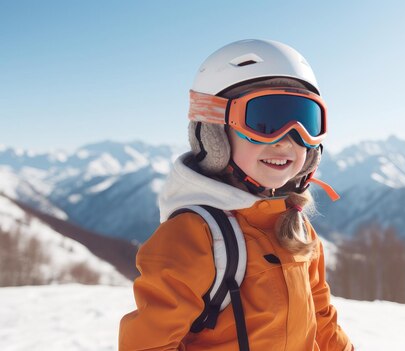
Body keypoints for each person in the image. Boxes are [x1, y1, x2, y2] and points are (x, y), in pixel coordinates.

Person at [119, 39, 354, 351]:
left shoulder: (297, 228)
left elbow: (321, 318)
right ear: (216, 134)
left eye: (305, 121)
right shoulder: (194, 236)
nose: (287, 139)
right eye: (265, 121)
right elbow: (148, 344)